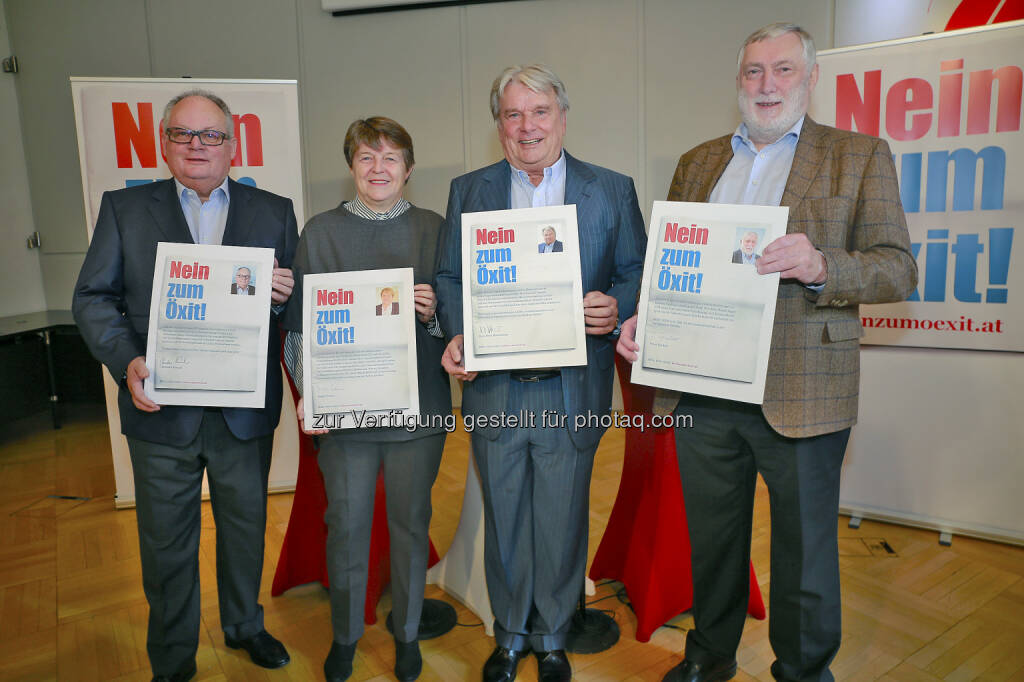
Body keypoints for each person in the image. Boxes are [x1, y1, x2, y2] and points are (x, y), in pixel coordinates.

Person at [617, 23, 917, 682]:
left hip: (802, 389)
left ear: (810, 79)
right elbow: (674, 266)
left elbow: (898, 269)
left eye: (783, 70)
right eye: (754, 71)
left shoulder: (858, 154)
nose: (767, 84)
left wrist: (819, 265)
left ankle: (804, 672)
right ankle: (711, 656)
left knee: (805, 552)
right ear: (738, 82)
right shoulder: (699, 162)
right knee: (713, 540)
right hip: (703, 386)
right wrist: (647, 316)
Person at [72, 90, 298, 682]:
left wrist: (285, 297)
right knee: (167, 542)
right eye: (183, 134)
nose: (197, 146)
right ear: (163, 143)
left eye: (211, 135)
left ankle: (245, 625)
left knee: (246, 530)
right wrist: (127, 361)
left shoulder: (273, 210)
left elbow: (291, 310)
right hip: (160, 409)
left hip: (243, 413)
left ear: (232, 144)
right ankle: (172, 657)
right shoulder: (124, 208)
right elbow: (93, 298)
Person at [435, 64, 646, 682]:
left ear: (561, 114)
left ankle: (553, 636)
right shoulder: (469, 190)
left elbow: (634, 270)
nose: (527, 126)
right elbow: (449, 277)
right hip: (495, 387)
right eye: (512, 114)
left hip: (569, 387)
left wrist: (618, 304)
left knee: (560, 517)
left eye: (539, 111)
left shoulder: (610, 188)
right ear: (498, 122)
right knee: (503, 519)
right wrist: (455, 330)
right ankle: (508, 636)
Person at [281, 116, 451, 682]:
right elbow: (298, 327)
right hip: (345, 415)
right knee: (346, 527)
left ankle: (406, 636)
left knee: (409, 525)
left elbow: (459, 325)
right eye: (366, 157)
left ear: (408, 168)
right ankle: (346, 638)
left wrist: (433, 314)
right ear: (351, 165)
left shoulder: (434, 228)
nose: (379, 168)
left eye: (391, 158)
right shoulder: (321, 232)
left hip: (418, 410)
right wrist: (309, 393)